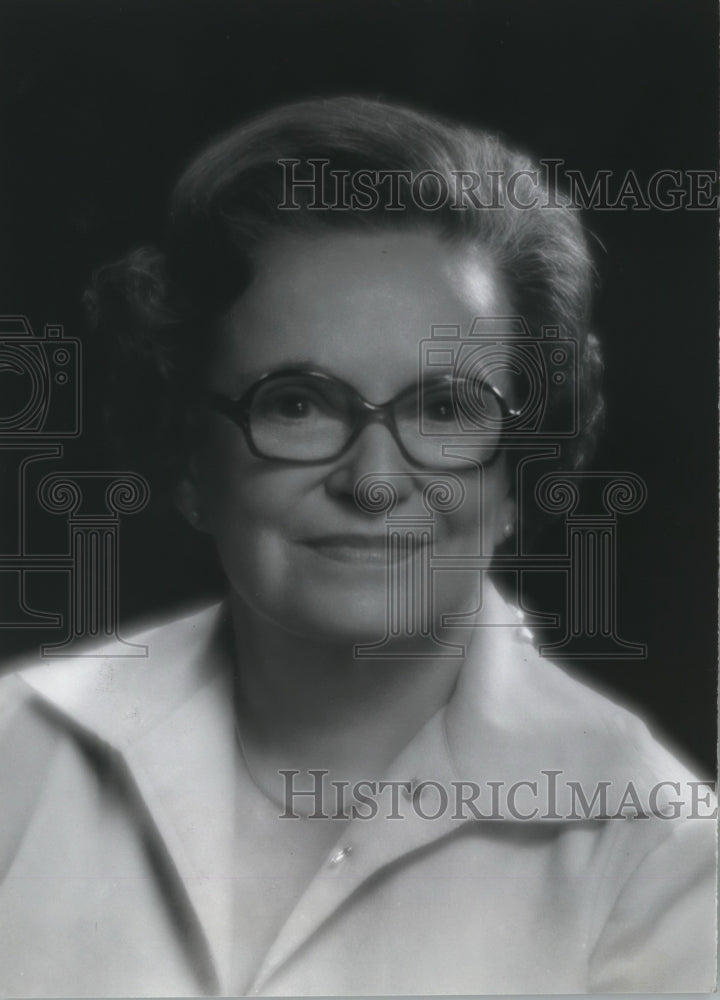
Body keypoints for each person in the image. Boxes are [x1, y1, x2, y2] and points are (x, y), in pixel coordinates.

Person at [0, 96, 715, 997]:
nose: (372, 480)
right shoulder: (16, 755)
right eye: (295, 403)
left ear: (517, 479)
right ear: (190, 459)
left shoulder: (657, 857)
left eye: (446, 410)